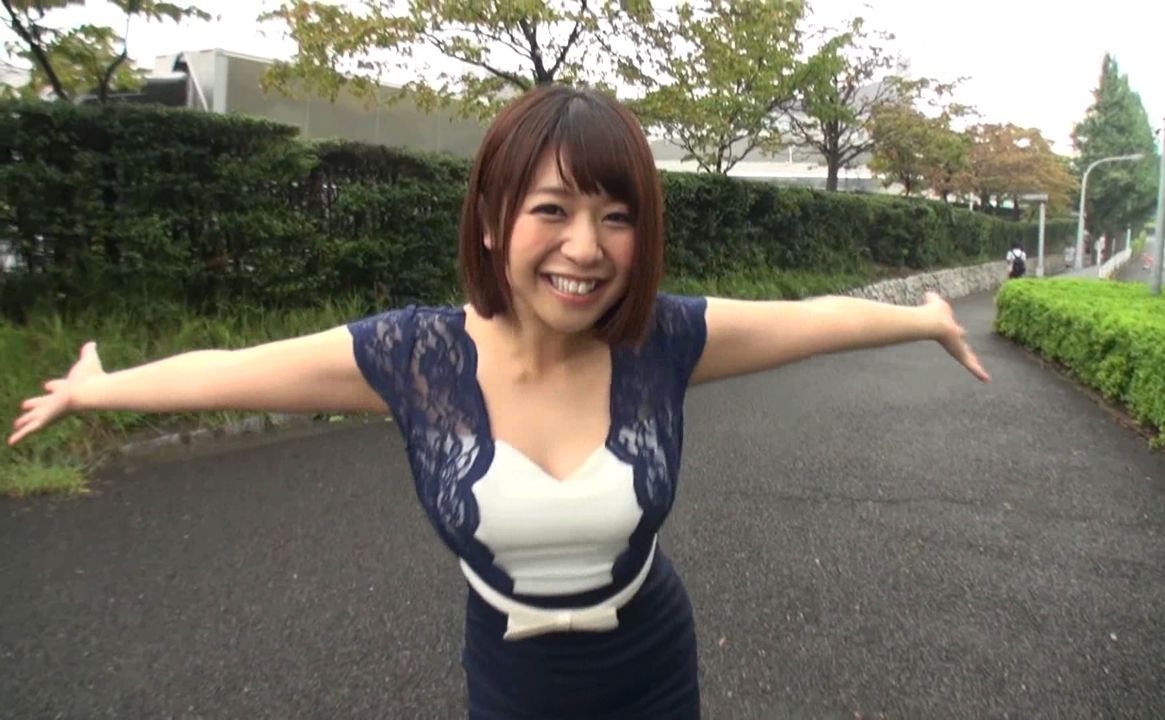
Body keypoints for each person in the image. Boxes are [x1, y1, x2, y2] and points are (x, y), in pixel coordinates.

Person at [8, 85, 990, 719]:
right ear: (489, 220)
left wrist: (924, 319)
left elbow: (813, 321)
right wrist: (100, 389)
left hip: (652, 659)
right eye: (551, 209)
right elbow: (229, 370)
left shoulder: (661, 341)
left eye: (616, 217)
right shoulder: (415, 358)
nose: (585, 248)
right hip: (514, 678)